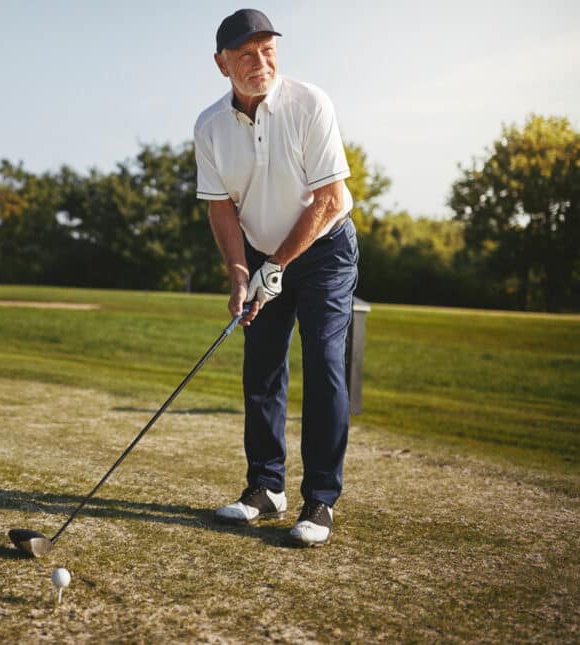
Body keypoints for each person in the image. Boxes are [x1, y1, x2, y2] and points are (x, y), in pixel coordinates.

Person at [194, 8, 359, 546]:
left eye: (267, 50)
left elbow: (329, 199)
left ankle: (320, 500)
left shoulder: (310, 103)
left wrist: (277, 267)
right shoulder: (210, 126)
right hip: (263, 253)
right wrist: (241, 273)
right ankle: (265, 488)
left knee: (325, 363)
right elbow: (221, 209)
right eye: (245, 54)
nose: (260, 62)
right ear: (223, 65)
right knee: (262, 367)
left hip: (325, 249)